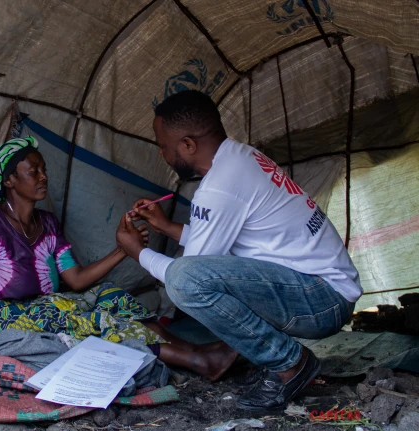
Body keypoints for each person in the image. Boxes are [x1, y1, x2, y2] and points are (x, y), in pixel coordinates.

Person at [115, 90, 363, 411]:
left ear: (188, 145)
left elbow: (189, 276)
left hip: (320, 299)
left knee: (184, 281)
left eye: (163, 146)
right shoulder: (241, 157)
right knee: (214, 267)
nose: (162, 154)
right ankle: (264, 359)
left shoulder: (219, 186)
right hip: (322, 289)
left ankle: (288, 362)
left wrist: (137, 252)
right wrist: (165, 226)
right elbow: (217, 243)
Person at [0, 136, 234, 380]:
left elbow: (75, 280)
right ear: (8, 181)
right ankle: (199, 360)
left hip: (43, 306)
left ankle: (196, 350)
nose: (43, 176)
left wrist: (122, 250)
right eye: (33, 171)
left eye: (43, 169)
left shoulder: (46, 224)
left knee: (111, 296)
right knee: (91, 321)